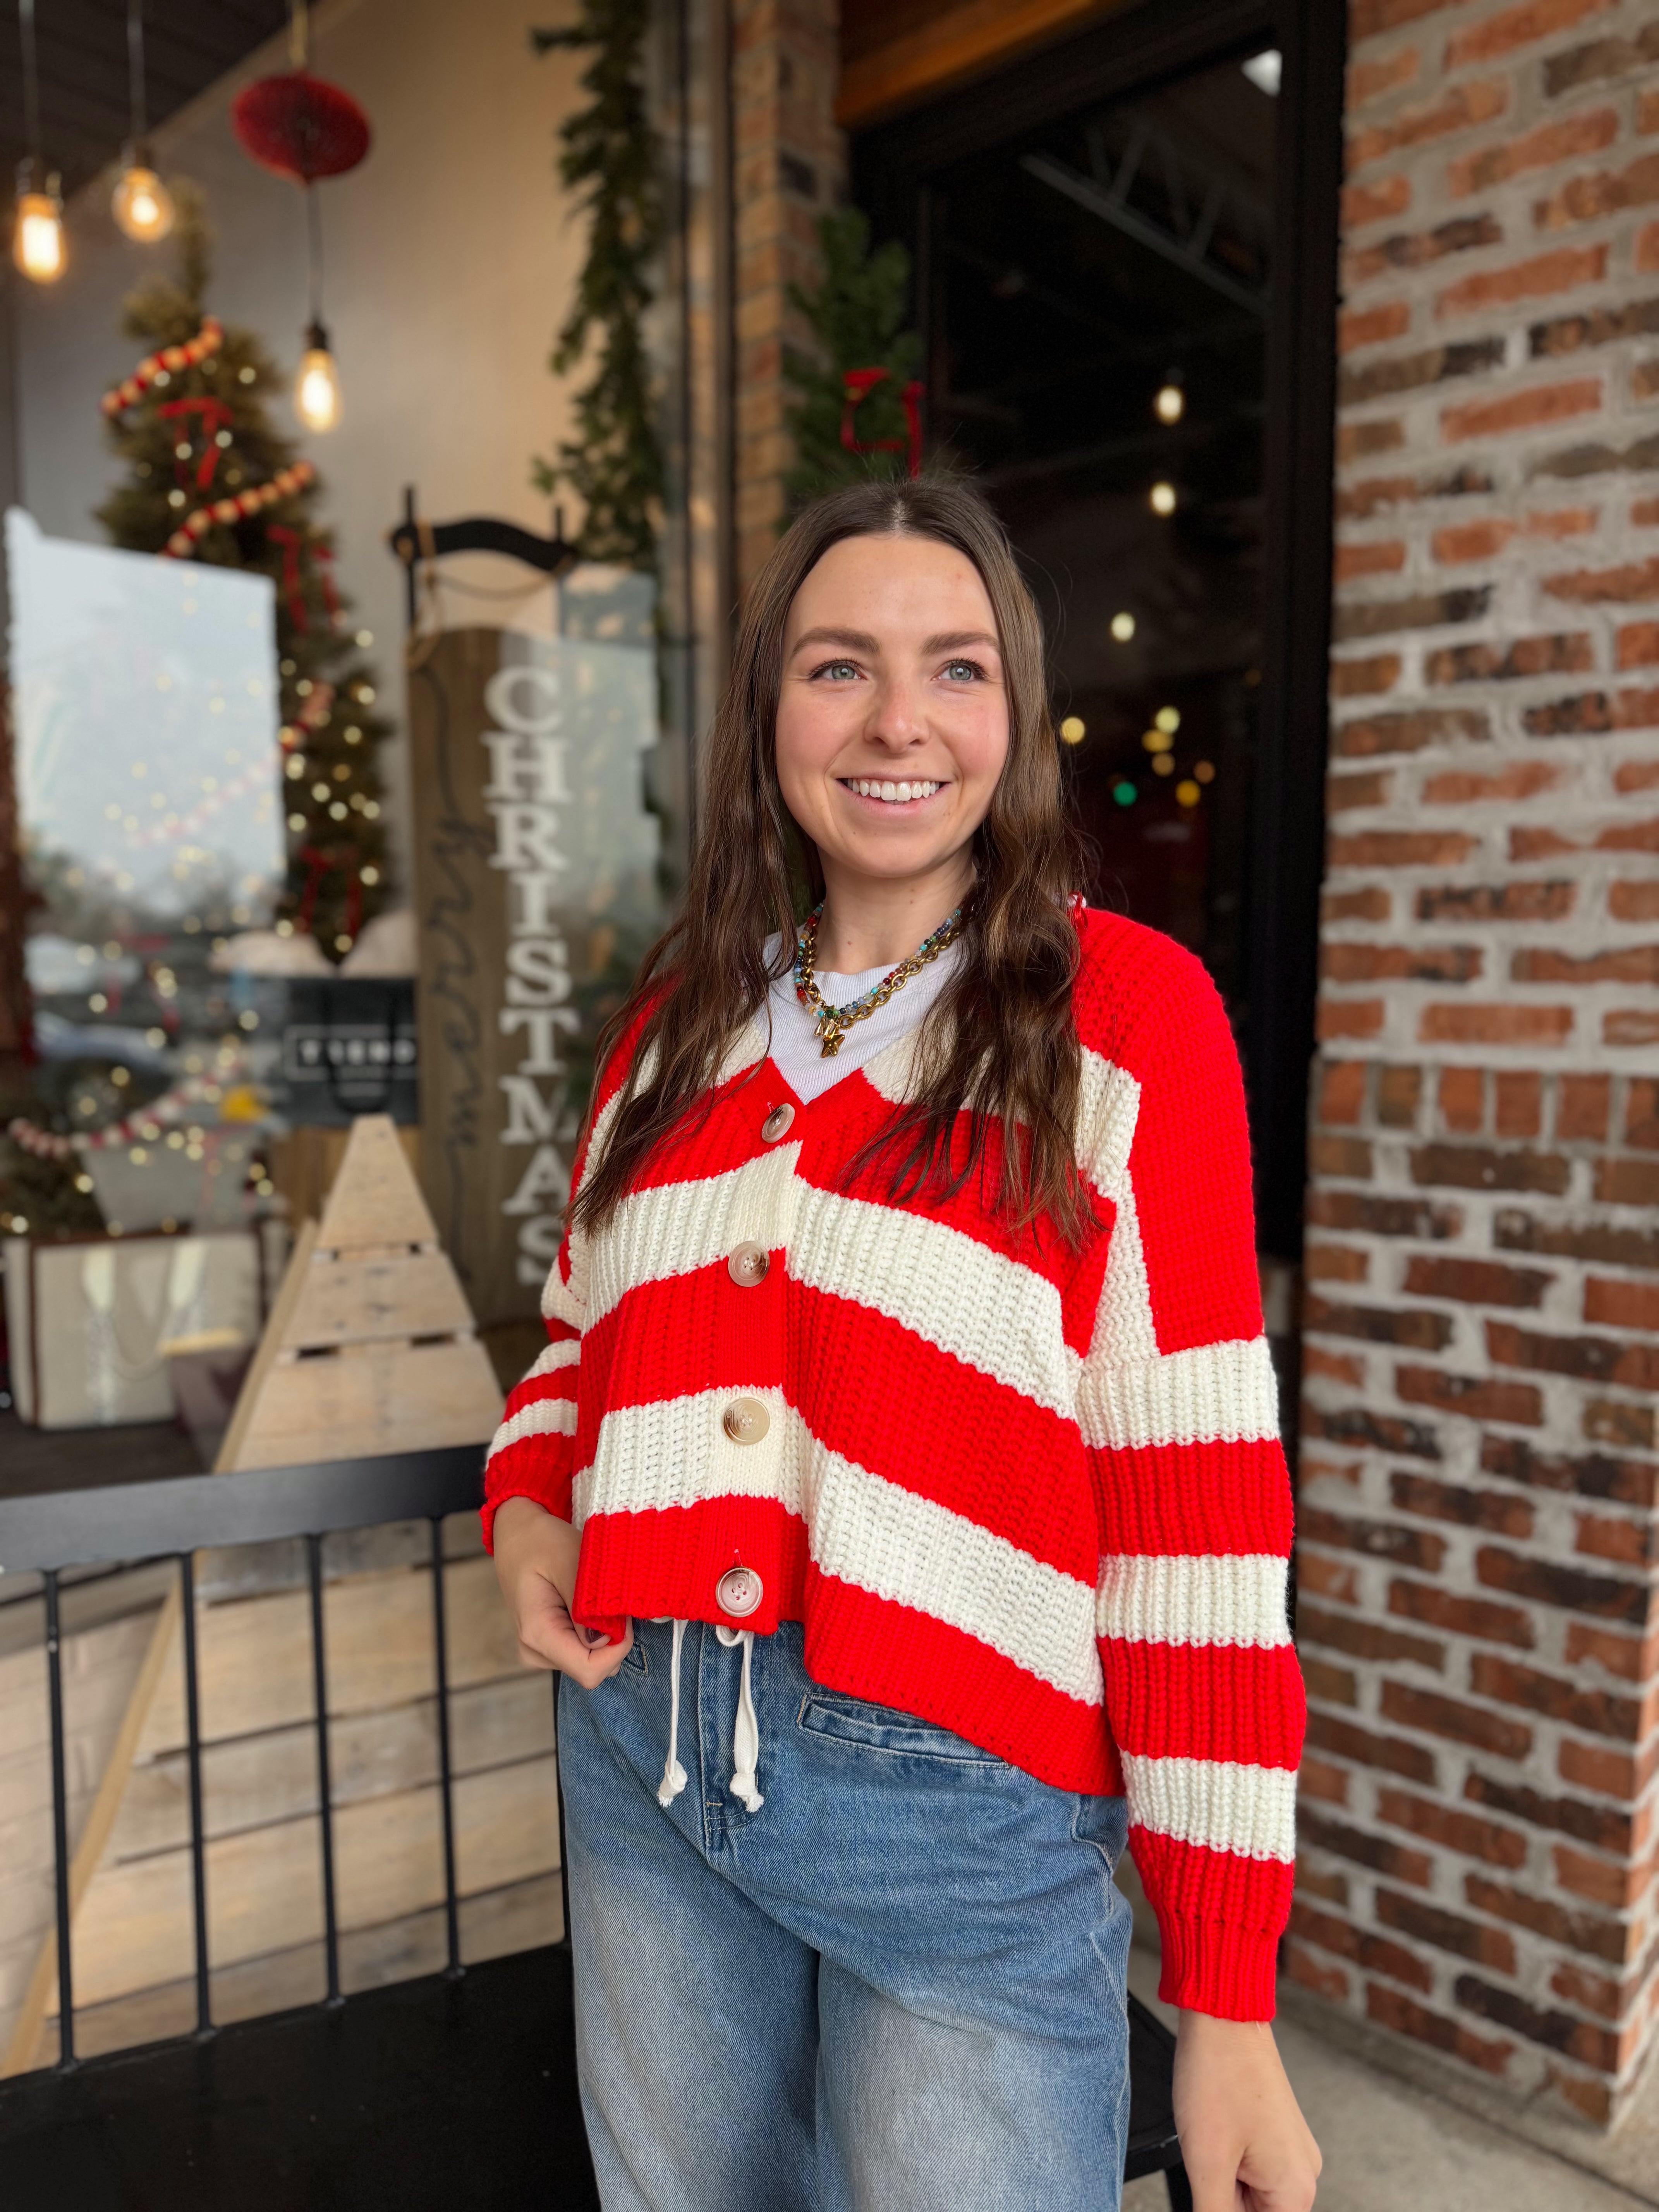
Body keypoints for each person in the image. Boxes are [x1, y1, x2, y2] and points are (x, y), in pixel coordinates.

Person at [486, 477, 1320, 2212]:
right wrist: (527, 1507)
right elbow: (578, 1333)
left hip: (965, 1818)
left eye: (953, 670)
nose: (896, 722)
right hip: (641, 1754)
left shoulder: (1128, 1021)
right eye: (837, 667)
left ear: (1012, 717)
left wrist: (1226, 2001)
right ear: (770, 714)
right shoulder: (679, 1015)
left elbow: (1198, 1530)